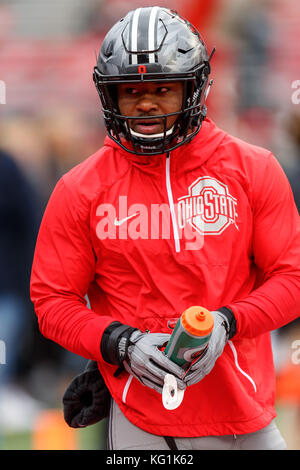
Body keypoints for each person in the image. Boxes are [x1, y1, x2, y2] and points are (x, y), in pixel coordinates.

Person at [30, 7, 300, 450]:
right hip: (145, 416)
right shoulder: (80, 188)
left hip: (246, 407)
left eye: (163, 89)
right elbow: (51, 300)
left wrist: (228, 323)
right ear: (109, 96)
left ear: (193, 88)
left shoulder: (254, 170)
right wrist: (121, 343)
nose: (147, 103)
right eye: (130, 91)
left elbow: (292, 277)